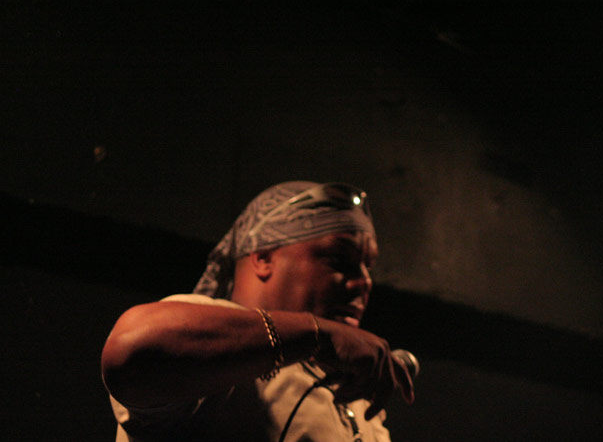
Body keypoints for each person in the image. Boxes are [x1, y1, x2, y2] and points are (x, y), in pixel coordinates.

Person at [101, 181, 415, 441]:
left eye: (368, 267)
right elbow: (132, 347)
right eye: (340, 260)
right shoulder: (207, 339)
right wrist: (319, 334)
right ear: (264, 256)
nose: (364, 282)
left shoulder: (356, 398)